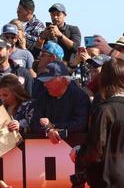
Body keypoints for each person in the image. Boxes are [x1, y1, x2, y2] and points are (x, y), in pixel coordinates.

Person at [70, 58, 124, 188]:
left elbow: (95, 152)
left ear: (103, 80)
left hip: (109, 180)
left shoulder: (105, 110)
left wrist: (80, 153)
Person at [31, 61, 90, 144]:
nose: (44, 84)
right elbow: (34, 123)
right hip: (45, 149)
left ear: (64, 80)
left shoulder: (80, 97)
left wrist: (52, 126)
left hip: (73, 148)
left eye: (49, 80)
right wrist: (48, 130)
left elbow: (80, 125)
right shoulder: (42, 96)